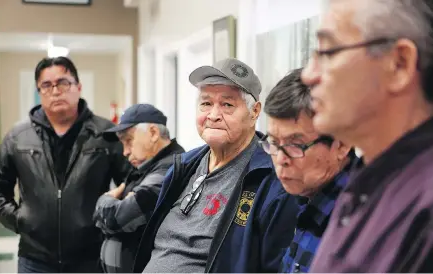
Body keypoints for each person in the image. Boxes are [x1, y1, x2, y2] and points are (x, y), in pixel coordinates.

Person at [301, 0, 433, 272]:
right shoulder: (367, 178)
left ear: (399, 64)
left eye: (327, 52)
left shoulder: (424, 208)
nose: (308, 75)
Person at [133, 58, 299, 273]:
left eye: (227, 105)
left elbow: (275, 266)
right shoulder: (183, 166)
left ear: (255, 112)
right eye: (206, 103)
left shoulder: (272, 177)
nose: (213, 115)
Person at [0, 57, 133, 273]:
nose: (55, 91)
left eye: (63, 82)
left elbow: (132, 180)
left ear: (78, 87)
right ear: (39, 92)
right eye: (46, 85)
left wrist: (111, 217)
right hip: (34, 259)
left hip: (91, 257)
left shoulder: (107, 134)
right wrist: (20, 220)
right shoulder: (18, 137)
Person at [261, 68, 355, 273]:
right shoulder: (308, 197)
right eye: (274, 143)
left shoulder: (358, 223)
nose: (281, 159)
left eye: (296, 144)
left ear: (341, 144)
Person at [93, 104, 185, 273]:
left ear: (153, 133)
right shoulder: (144, 168)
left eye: (129, 140)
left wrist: (104, 200)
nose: (125, 152)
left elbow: (118, 218)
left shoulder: (169, 168)